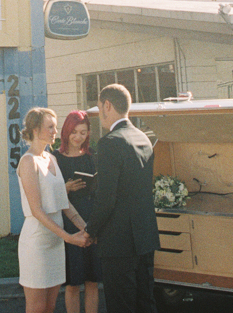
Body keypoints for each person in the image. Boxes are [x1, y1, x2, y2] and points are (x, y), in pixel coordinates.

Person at [85, 85, 160, 313]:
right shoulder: (143, 138)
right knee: (145, 303)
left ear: (107, 105)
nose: (99, 114)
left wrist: (90, 231)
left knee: (122, 306)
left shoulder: (110, 142)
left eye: (99, 108)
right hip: (145, 237)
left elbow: (106, 199)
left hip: (118, 243)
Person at [18, 107, 91, 313]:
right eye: (50, 127)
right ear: (34, 129)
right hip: (37, 245)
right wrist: (69, 237)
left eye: (55, 126)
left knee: (50, 307)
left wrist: (86, 229)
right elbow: (36, 210)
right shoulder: (27, 161)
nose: (55, 131)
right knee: (37, 308)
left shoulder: (51, 159)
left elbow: (64, 203)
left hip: (55, 244)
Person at [54, 111, 102, 313]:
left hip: (92, 220)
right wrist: (65, 188)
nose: (78, 137)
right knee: (73, 283)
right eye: (74, 132)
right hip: (70, 223)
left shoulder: (92, 156)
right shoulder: (55, 158)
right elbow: (48, 192)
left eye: (83, 132)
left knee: (92, 281)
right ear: (66, 132)